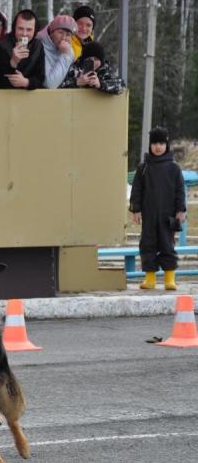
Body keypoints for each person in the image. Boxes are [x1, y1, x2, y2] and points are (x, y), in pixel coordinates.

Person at [129, 127, 186, 290]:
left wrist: (180, 210)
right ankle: (150, 279)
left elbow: (180, 190)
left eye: (161, 143)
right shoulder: (143, 167)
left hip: (168, 216)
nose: (158, 147)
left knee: (168, 245)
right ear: (150, 145)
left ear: (166, 145)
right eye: (154, 143)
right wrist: (136, 210)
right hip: (148, 215)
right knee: (147, 245)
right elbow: (137, 190)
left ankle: (169, 279)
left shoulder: (174, 168)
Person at [0, 9, 45, 90]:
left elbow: (40, 78)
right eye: (20, 28)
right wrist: (13, 62)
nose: (24, 34)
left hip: (29, 99)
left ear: (35, 30)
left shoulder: (38, 46)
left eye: (29, 30)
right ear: (14, 28)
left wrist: (26, 82)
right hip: (3, 98)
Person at [59, 41, 125, 95]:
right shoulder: (75, 69)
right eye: (89, 59)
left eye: (96, 59)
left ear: (101, 60)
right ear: (83, 60)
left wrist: (100, 84)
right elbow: (58, 86)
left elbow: (121, 85)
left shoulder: (106, 70)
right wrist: (77, 82)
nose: (93, 62)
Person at [37, 14, 76, 89]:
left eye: (68, 35)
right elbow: (49, 84)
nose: (63, 38)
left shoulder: (69, 50)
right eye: (60, 32)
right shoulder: (39, 46)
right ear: (51, 33)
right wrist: (65, 56)